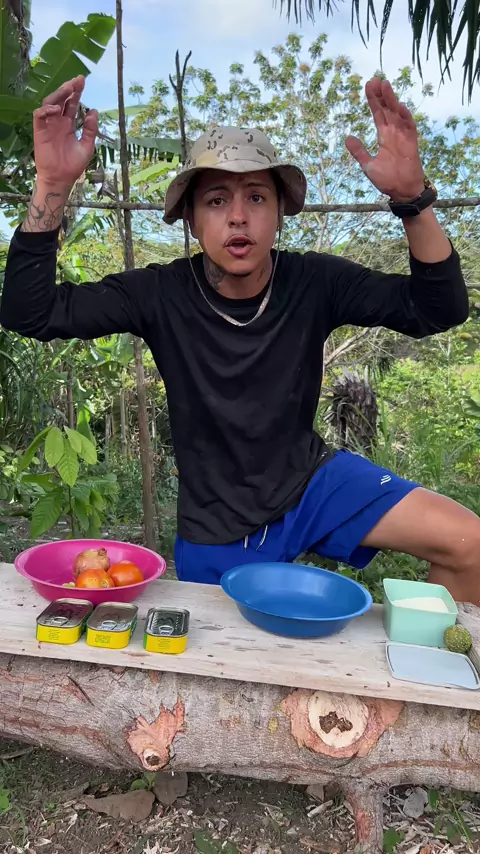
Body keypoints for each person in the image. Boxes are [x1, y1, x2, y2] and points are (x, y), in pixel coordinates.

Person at [1, 75, 477, 603]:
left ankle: (426, 654)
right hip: (217, 521)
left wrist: (412, 199)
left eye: (256, 196)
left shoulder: (315, 281)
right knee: (227, 648)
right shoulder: (158, 294)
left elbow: (439, 308)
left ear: (279, 212)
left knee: (471, 545)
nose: (237, 216)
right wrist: (51, 185)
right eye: (216, 200)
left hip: (312, 484)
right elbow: (30, 313)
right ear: (190, 219)